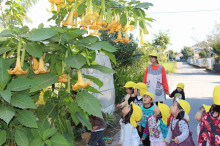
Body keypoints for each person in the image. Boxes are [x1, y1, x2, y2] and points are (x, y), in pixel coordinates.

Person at [117, 81, 136, 145]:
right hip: (126, 112)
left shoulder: (135, 97)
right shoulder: (127, 95)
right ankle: (122, 140)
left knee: (128, 126)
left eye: (127, 89)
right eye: (126, 89)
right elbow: (126, 102)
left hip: (131, 114)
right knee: (123, 123)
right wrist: (121, 105)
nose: (126, 91)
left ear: (132, 89)